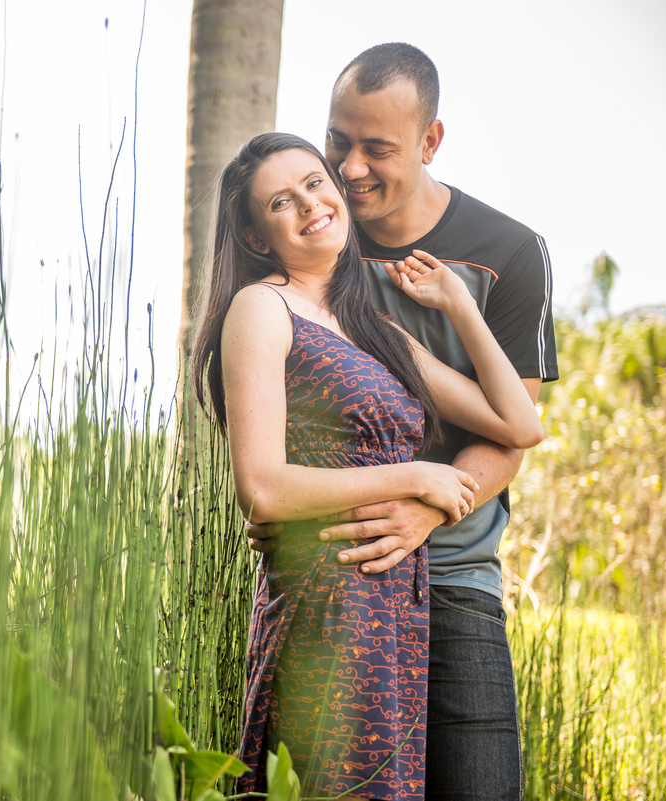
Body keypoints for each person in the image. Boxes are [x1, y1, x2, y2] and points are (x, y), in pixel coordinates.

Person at [189, 132, 543, 800]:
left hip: (395, 612)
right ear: (259, 236)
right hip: (325, 607)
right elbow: (262, 488)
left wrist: (461, 306)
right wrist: (414, 477)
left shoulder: (378, 327)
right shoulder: (261, 308)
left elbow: (522, 424)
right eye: (280, 202)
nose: (308, 204)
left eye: (315, 182)